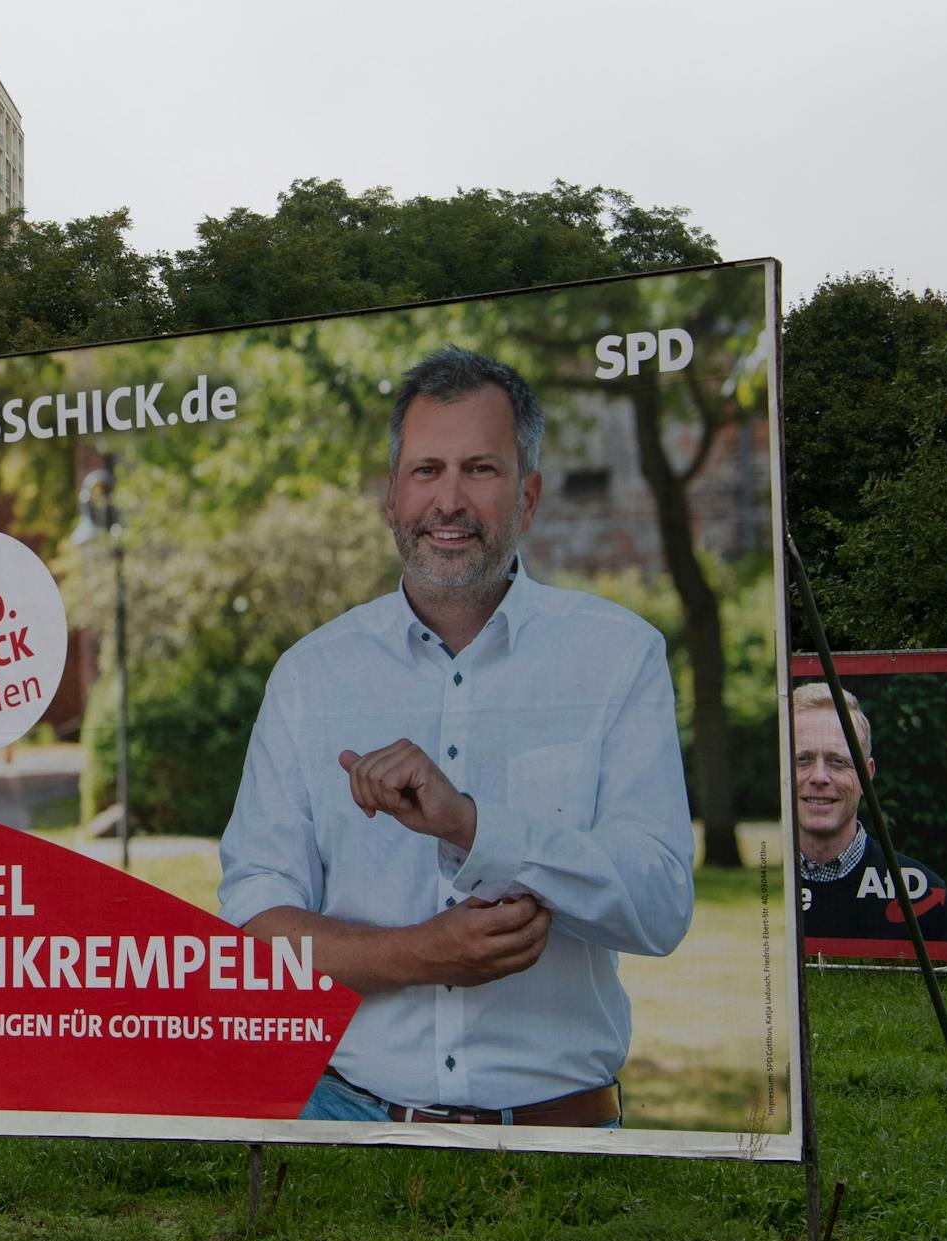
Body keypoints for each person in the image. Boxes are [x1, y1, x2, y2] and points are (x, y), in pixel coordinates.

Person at [219, 346, 694, 1127]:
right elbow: (256, 931)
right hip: (345, 1126)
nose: (449, 500)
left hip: (558, 1146)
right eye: (426, 470)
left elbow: (660, 905)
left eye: (480, 469)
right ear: (390, 497)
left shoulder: (618, 655)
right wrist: (420, 953)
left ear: (529, 496)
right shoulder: (309, 677)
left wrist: (473, 826)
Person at [791, 683, 947, 943]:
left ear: (867, 776)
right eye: (801, 760)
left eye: (838, 761)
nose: (819, 777)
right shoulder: (745, 894)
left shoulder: (925, 895)